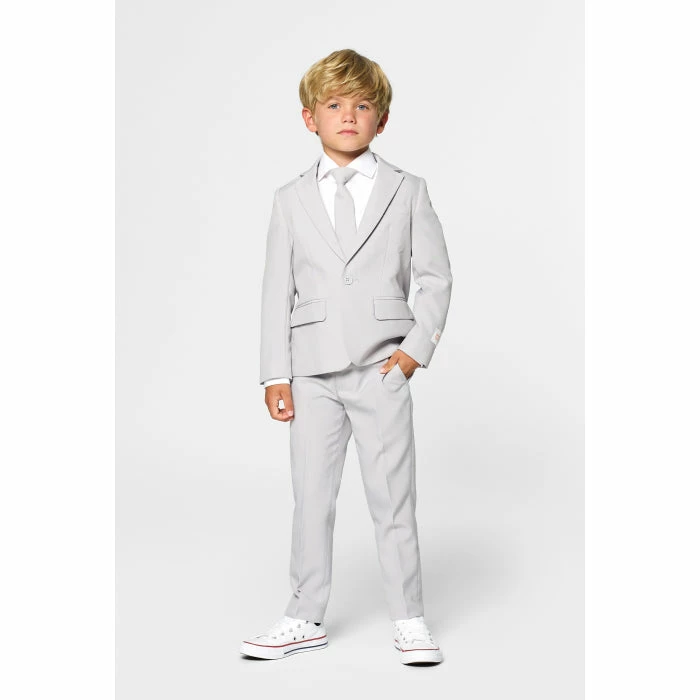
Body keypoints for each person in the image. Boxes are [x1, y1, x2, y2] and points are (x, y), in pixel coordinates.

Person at [241, 48, 452, 665]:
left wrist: (412, 353)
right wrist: (275, 374)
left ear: (381, 119)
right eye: (334, 104)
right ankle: (303, 615)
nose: (349, 115)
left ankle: (409, 618)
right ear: (310, 118)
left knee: (393, 498)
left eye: (363, 105)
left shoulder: (407, 190)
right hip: (311, 374)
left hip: (381, 368)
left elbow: (436, 278)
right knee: (311, 498)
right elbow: (275, 291)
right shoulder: (289, 198)